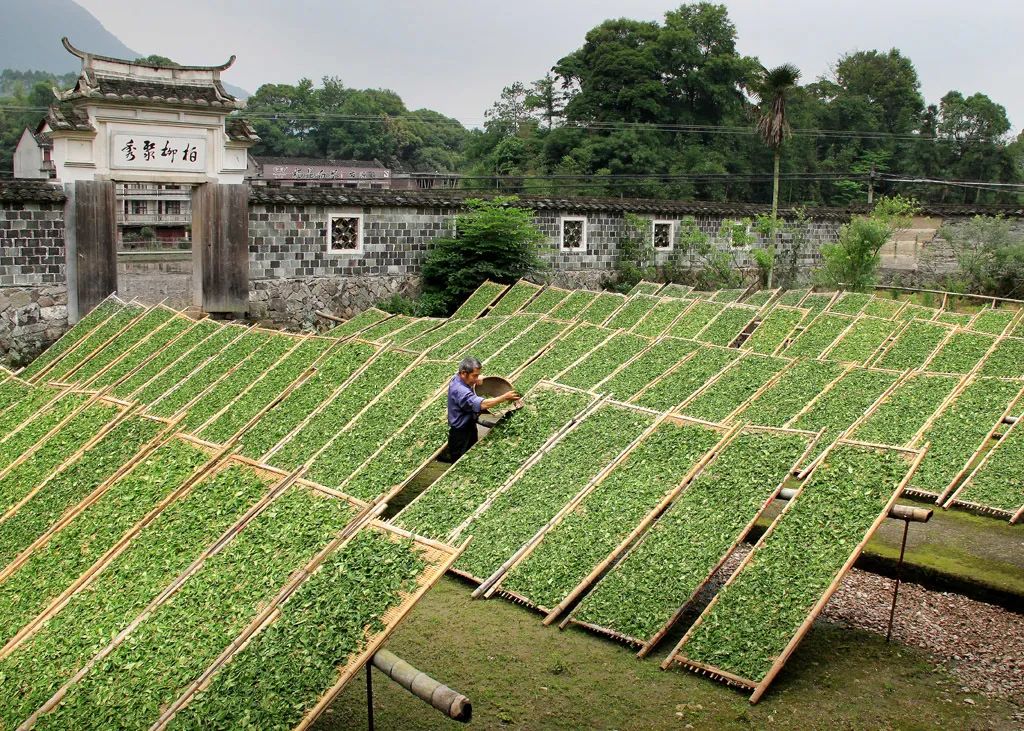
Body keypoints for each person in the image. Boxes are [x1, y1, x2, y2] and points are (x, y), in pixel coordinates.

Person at [447, 356, 519, 462]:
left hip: (469, 425)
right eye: (474, 376)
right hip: (461, 433)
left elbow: (471, 380)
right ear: (463, 373)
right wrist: (504, 397)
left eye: (478, 375)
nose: (477, 378)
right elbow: (482, 405)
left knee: (471, 456)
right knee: (460, 462)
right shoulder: (460, 390)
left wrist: (476, 379)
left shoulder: (459, 378)